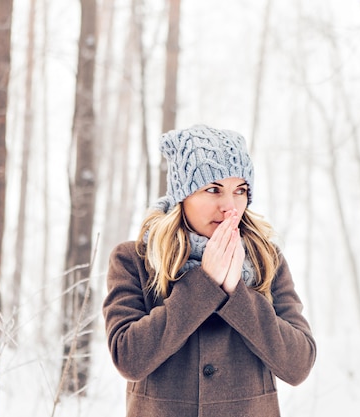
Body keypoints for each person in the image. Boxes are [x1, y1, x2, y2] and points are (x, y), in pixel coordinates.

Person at [102, 124, 316, 417]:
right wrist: (204, 284)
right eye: (213, 189)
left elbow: (298, 364)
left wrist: (235, 294)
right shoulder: (134, 259)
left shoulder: (266, 259)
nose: (230, 207)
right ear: (182, 196)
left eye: (240, 191)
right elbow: (129, 358)